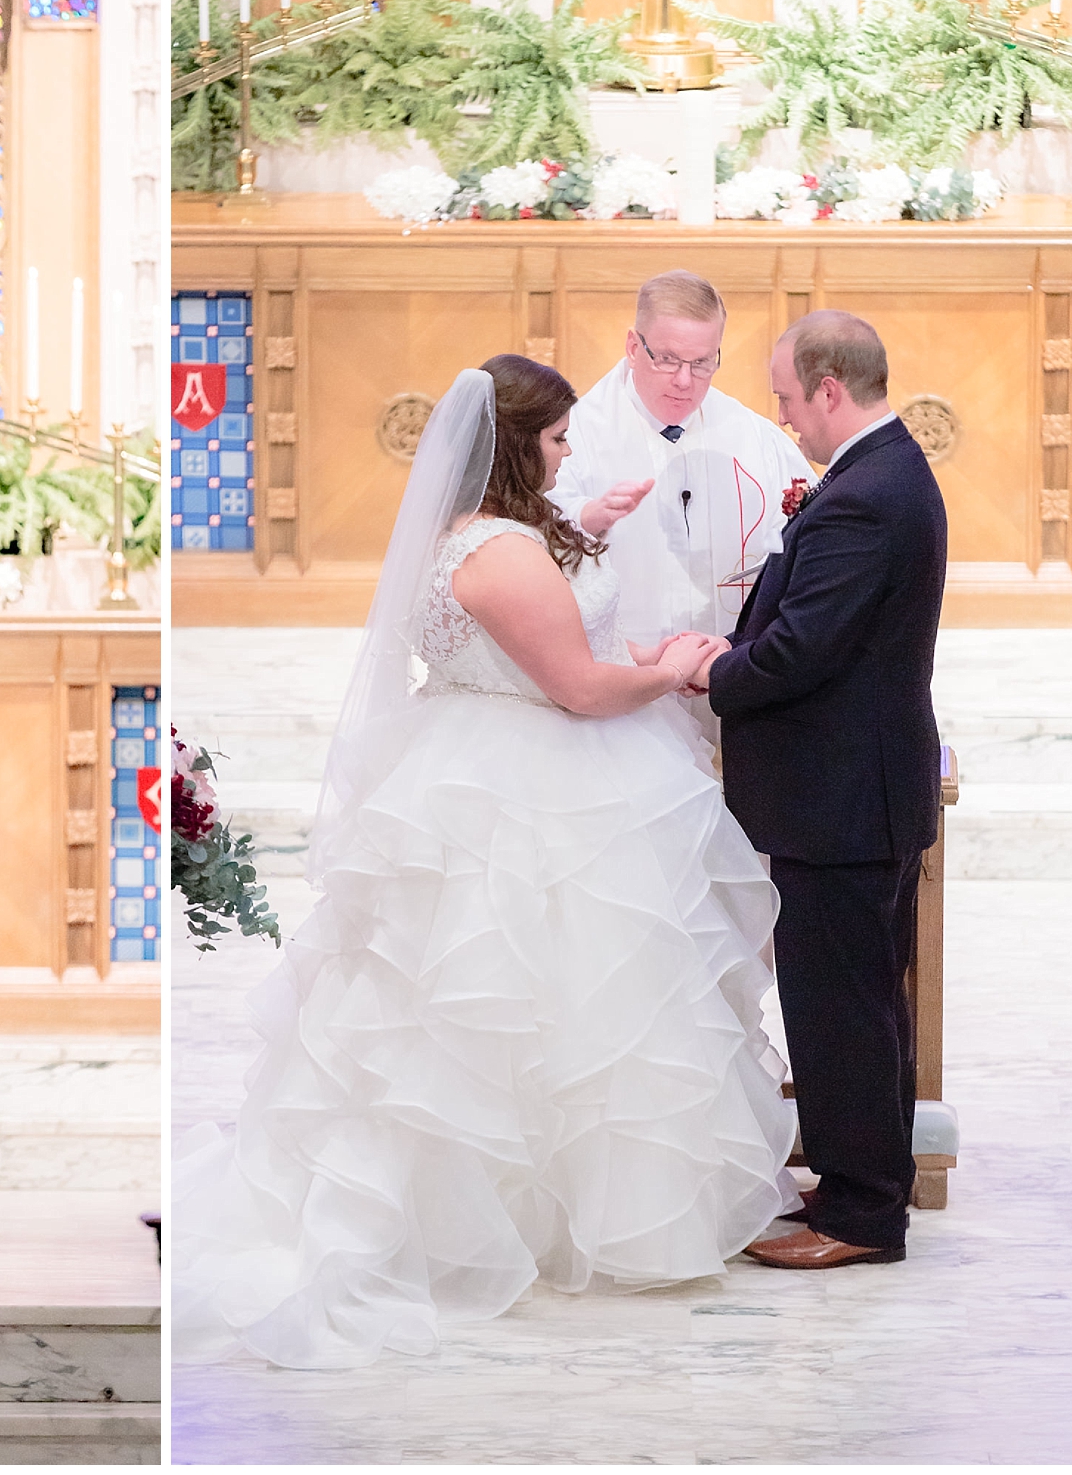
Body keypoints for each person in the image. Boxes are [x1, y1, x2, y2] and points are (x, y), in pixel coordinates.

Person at [172, 355, 799, 1370]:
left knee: (488, 1010)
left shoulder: (458, 537)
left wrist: (587, 527)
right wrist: (672, 668)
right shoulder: (502, 553)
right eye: (554, 439)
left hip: (460, 760)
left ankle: (513, 1211)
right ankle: (534, 1223)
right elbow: (579, 689)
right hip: (529, 782)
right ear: (517, 445)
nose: (565, 452)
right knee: (554, 1001)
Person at [689, 311, 947, 1271]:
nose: (786, 417)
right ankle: (854, 1185)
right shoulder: (882, 475)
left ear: (830, 390)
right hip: (854, 791)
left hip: (841, 798)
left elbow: (804, 648)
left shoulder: (865, 496)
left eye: (790, 398)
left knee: (841, 1009)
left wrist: (709, 675)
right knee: (858, 1003)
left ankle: (864, 1215)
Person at [550, 271, 814, 736]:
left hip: (726, 675)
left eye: (702, 363)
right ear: (633, 346)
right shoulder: (576, 433)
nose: (684, 381)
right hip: (622, 685)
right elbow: (528, 539)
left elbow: (808, 532)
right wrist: (587, 517)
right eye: (667, 359)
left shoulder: (754, 438)